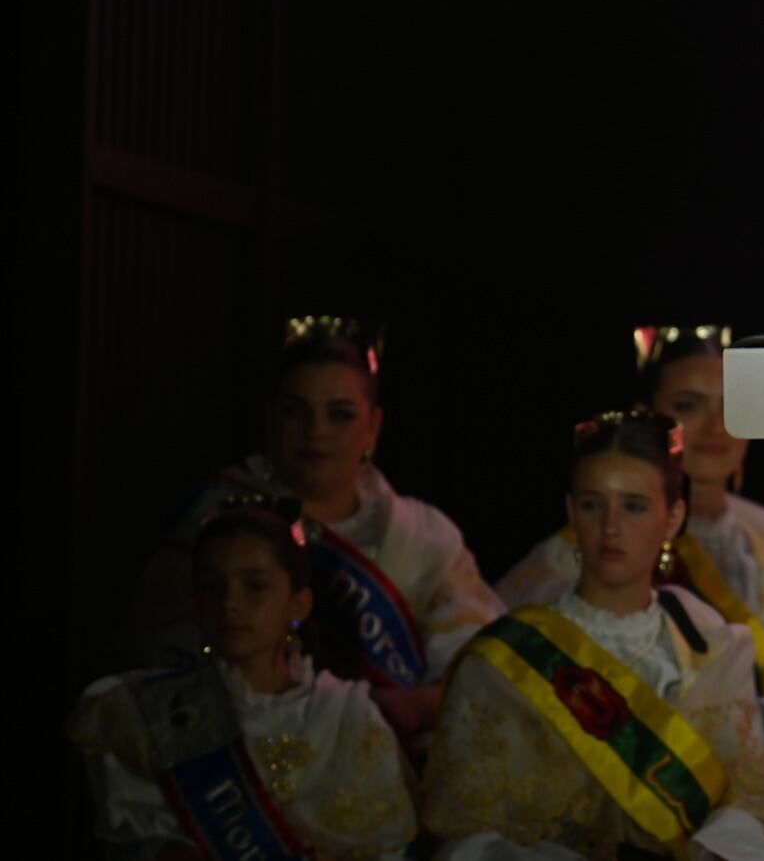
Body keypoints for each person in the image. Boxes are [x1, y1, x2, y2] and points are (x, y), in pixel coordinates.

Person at [422, 409, 764, 860]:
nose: (610, 527)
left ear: (673, 517)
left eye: (633, 506)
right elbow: (465, 836)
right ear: (571, 511)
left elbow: (748, 803)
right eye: (592, 504)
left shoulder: (710, 644)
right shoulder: (505, 662)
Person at [126, 317, 502, 750]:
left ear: (373, 427)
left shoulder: (423, 538)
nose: (316, 431)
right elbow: (160, 664)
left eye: (339, 414)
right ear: (270, 418)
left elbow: (485, 676)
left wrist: (398, 710)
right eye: (294, 411)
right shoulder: (215, 520)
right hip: (244, 757)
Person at [496, 323, 764, 696]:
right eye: (688, 406)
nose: (717, 426)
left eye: (733, 405)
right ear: (647, 415)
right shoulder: (579, 549)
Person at [71, 497, 419, 860]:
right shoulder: (152, 713)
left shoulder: (348, 718)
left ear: (298, 604)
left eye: (254, 586)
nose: (230, 603)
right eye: (213, 586)